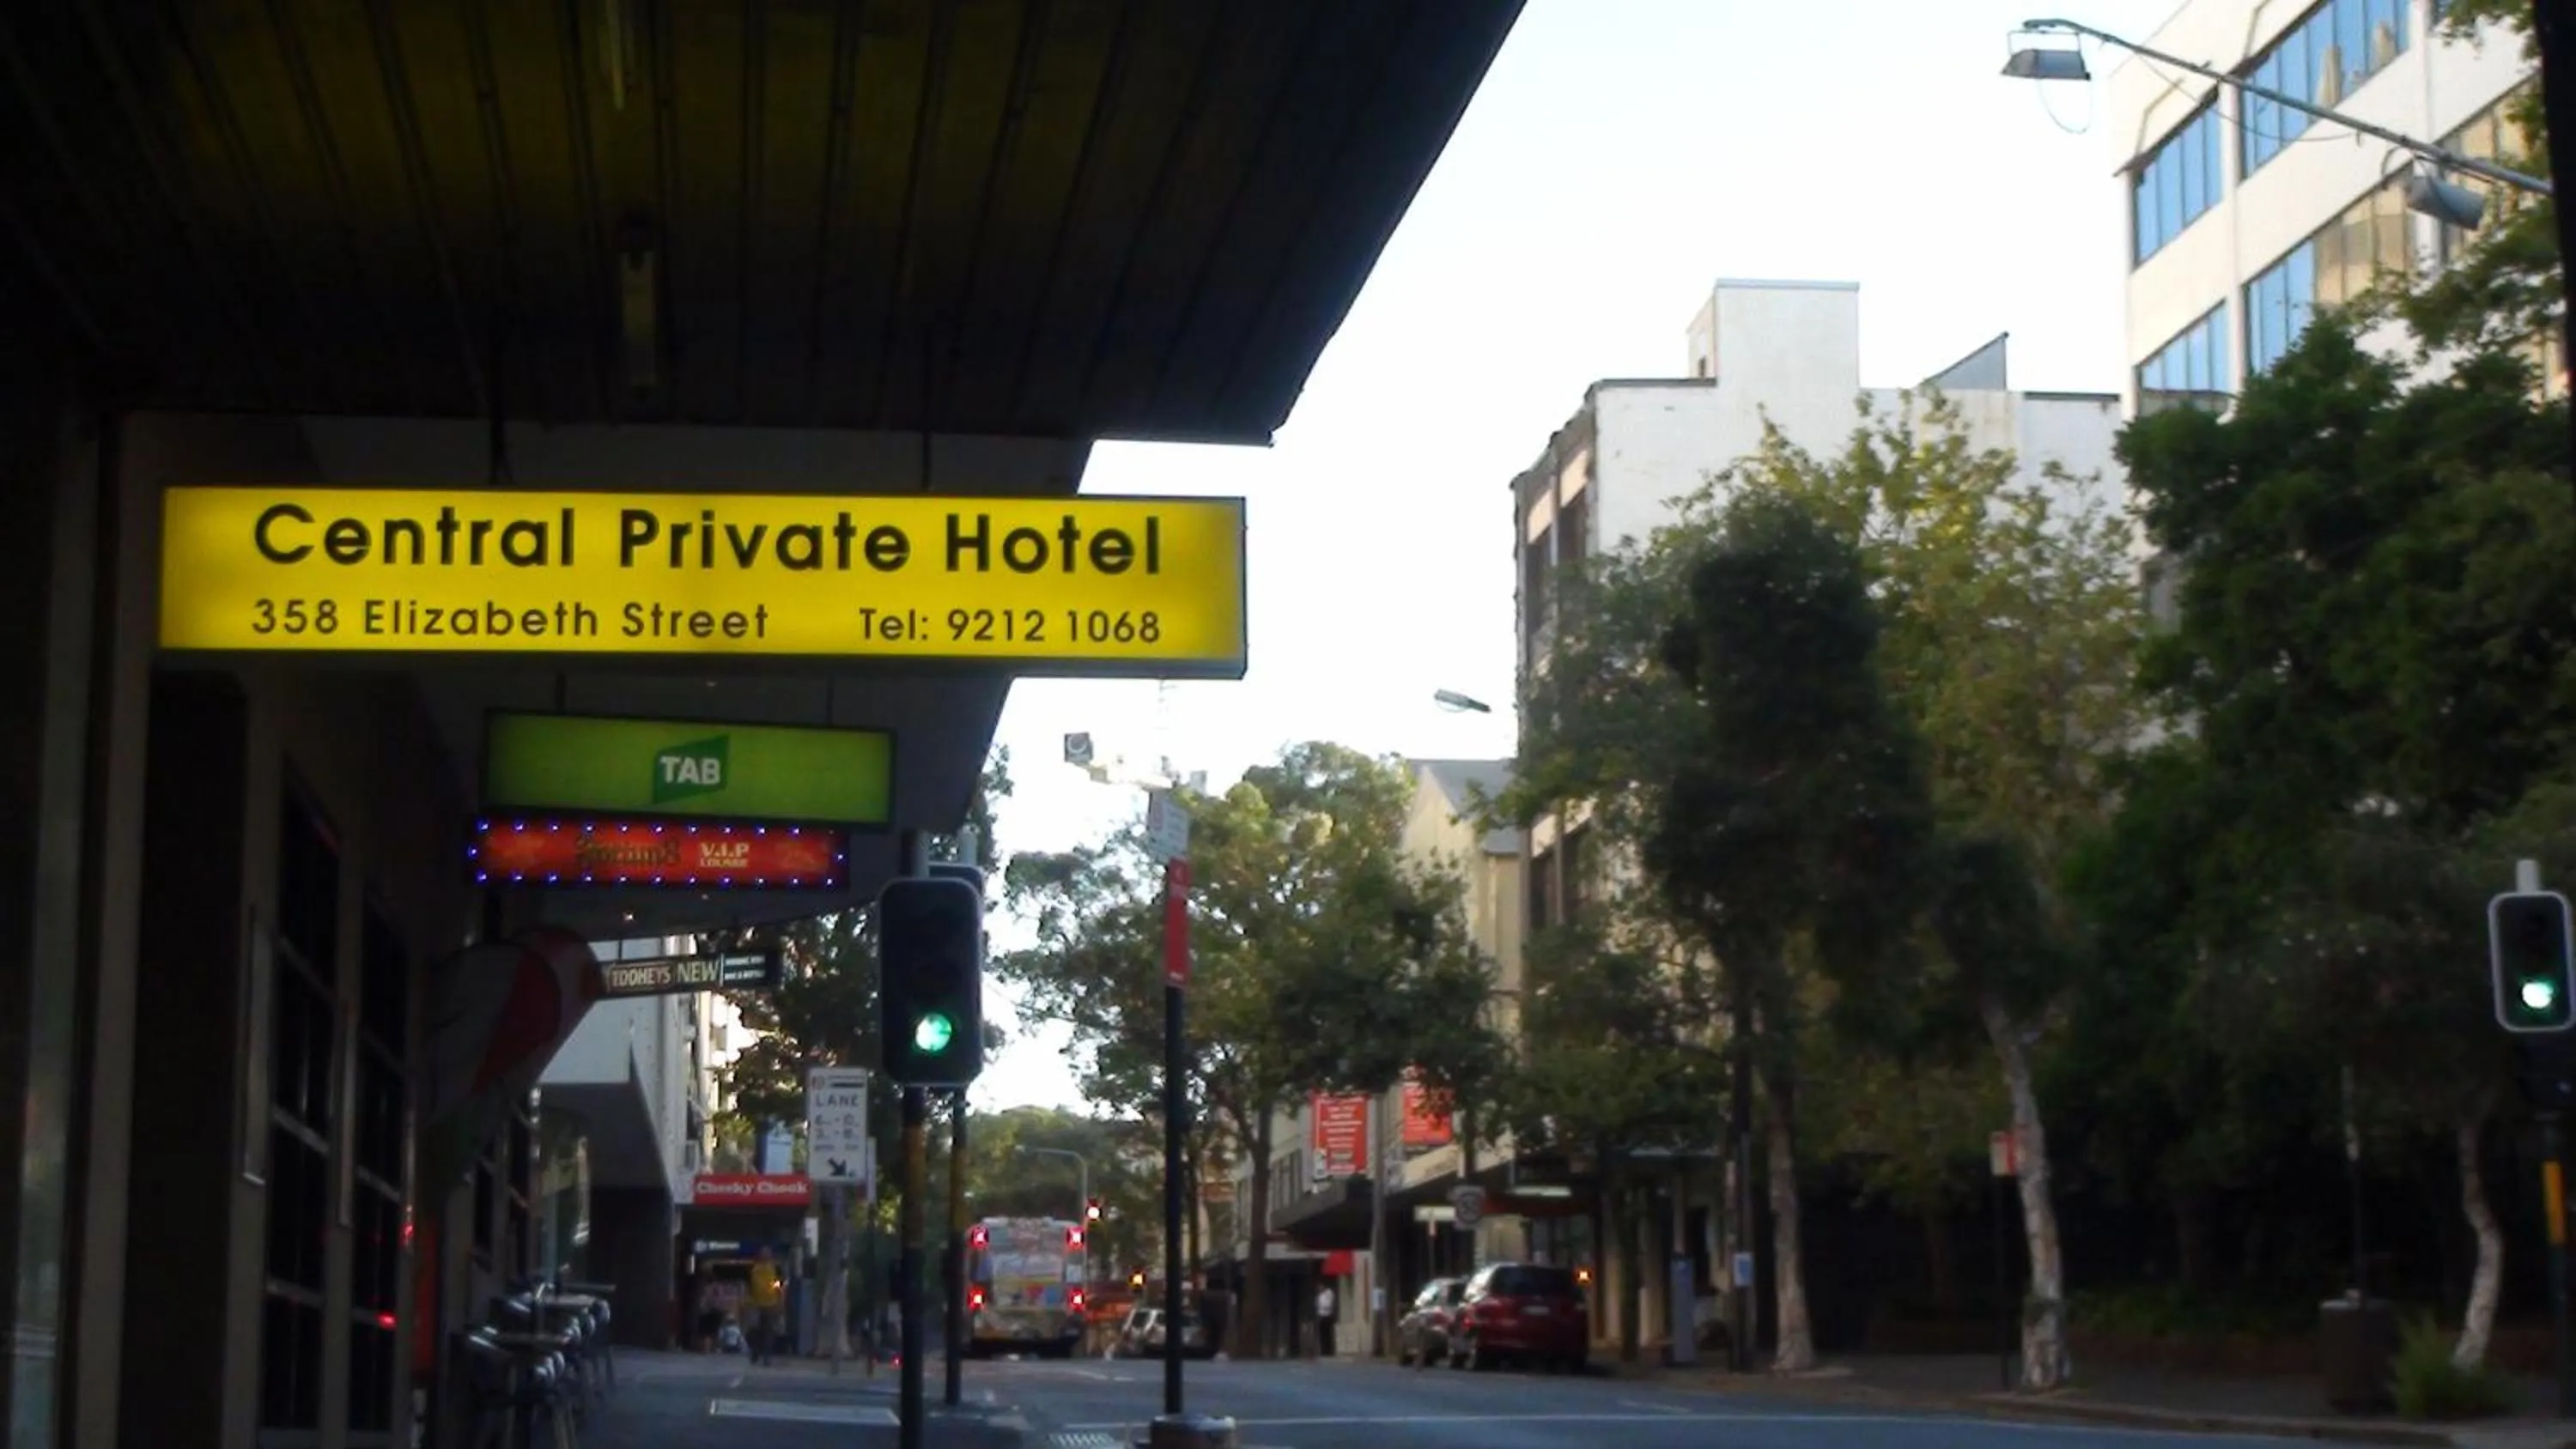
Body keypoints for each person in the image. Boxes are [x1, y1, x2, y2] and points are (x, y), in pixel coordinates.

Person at [744, 1245, 786, 1366]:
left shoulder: (775, 1268)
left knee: (769, 1331)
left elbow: (780, 1284)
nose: (765, 1255)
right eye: (763, 1253)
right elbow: (749, 1287)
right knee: (754, 1330)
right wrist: (748, 1302)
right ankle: (756, 1351)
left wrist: (779, 1299)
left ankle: (766, 1356)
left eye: (767, 1253)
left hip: (771, 1303)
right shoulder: (754, 1270)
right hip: (756, 1304)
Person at [1314, 1282, 1338, 1358]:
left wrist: (1324, 1308)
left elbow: (1329, 1304)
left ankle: (1329, 1350)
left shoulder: (1329, 1293)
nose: (1319, 1288)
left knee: (1328, 1334)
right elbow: (1318, 1305)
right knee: (1322, 1334)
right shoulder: (1319, 1296)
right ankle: (1323, 1351)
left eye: (1320, 1287)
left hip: (1327, 1315)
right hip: (1321, 1316)